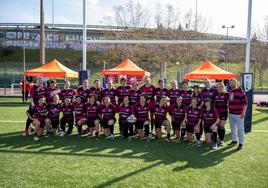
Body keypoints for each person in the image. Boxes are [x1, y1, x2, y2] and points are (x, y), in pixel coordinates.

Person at [228, 78, 248, 150]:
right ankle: (234, 140)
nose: (231, 84)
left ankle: (241, 143)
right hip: (231, 113)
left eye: (233, 82)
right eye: (230, 83)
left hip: (239, 114)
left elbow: (245, 103)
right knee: (232, 128)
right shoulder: (230, 91)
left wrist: (243, 113)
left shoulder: (241, 92)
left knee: (240, 129)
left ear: (236, 83)